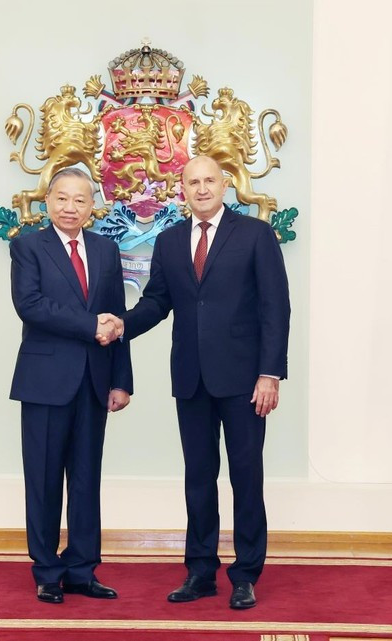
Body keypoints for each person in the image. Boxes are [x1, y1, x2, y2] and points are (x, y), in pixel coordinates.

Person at [102, 155, 290, 609]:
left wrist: (270, 373)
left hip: (246, 381)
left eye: (209, 181)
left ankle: (245, 574)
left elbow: (275, 308)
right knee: (198, 478)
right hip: (190, 378)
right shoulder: (167, 242)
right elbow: (156, 302)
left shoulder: (256, 235)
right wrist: (122, 323)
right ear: (181, 189)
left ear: (225, 185)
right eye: (193, 182)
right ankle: (201, 572)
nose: (202, 188)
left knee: (246, 477)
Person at [9, 167, 133, 604]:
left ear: (91, 206)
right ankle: (46, 570)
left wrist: (121, 380)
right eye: (62, 198)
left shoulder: (104, 249)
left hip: (94, 382)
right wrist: (89, 325)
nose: (70, 207)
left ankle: (81, 569)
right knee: (43, 480)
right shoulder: (27, 246)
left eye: (80, 200)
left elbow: (116, 317)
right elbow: (31, 306)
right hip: (45, 382)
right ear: (48, 201)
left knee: (86, 479)